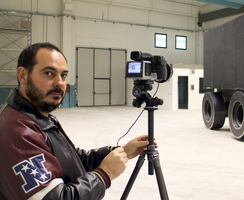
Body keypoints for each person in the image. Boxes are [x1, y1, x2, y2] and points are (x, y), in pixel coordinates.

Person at [0, 42, 156, 200]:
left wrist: (122, 151)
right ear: (23, 76)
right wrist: (104, 174)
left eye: (63, 75)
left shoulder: (38, 117)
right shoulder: (18, 132)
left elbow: (73, 159)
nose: (59, 82)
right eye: (48, 73)